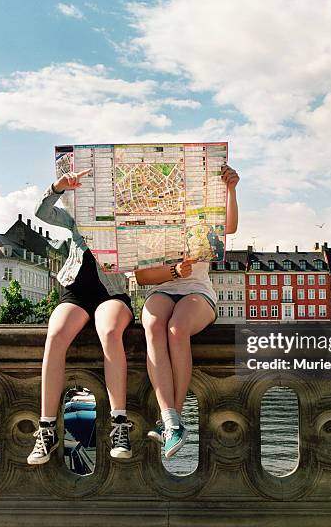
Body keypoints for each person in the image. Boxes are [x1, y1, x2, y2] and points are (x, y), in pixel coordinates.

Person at [27, 168, 135, 465]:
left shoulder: (125, 220)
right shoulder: (75, 217)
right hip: (75, 291)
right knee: (56, 334)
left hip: (111, 292)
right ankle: (47, 429)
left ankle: (119, 424)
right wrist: (57, 187)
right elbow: (41, 212)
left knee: (109, 332)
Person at [135, 163, 240, 458]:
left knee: (176, 329)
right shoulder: (150, 224)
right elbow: (142, 278)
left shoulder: (203, 219)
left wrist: (231, 189)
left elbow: (229, 226)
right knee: (154, 325)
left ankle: (172, 419)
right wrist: (174, 271)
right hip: (164, 289)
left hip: (198, 292)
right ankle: (171, 422)